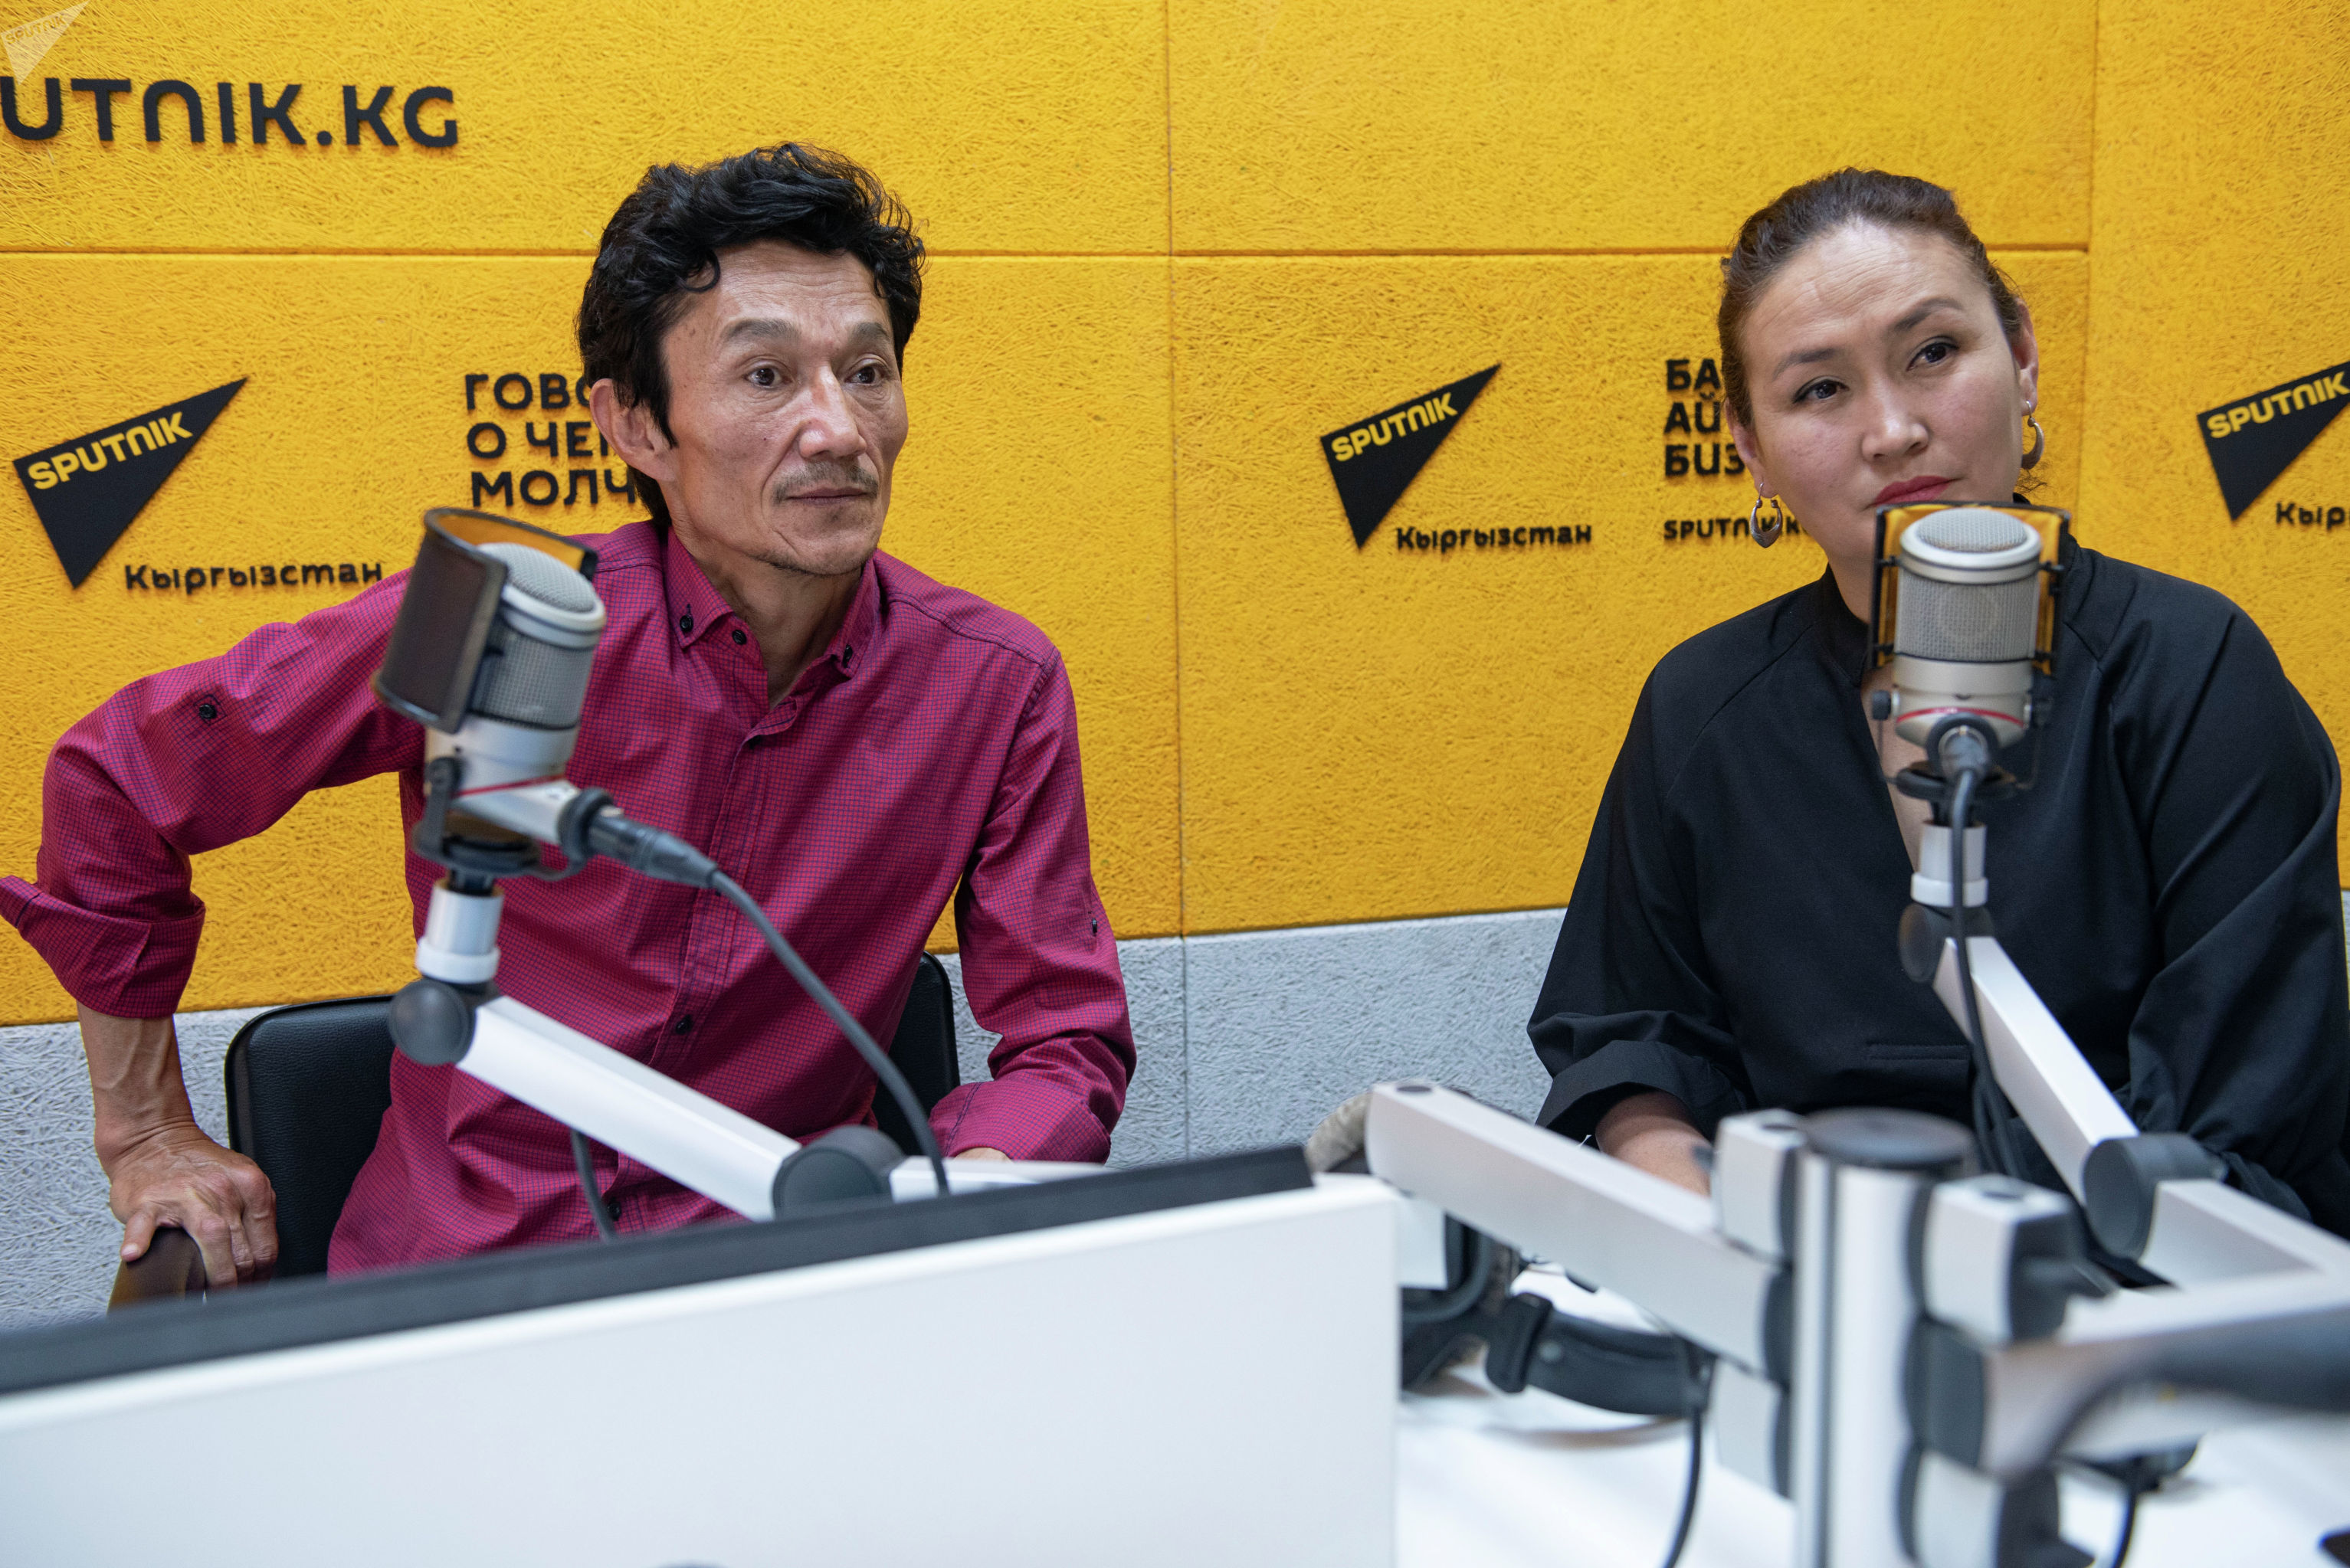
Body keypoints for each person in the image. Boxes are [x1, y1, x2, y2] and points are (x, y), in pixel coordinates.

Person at [2, 143, 1136, 1287]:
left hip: (775, 1276)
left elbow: (1064, 1035)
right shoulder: (509, 622)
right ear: (637, 425)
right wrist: (144, 1135)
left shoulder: (992, 684)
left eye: (868, 371)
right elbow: (117, 784)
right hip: (465, 1279)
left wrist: (970, 1182)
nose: (839, 430)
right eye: (766, 377)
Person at [1529, 169, 2350, 1236]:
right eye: (1819, 391)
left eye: (1933, 353)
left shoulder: (2193, 668)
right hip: (1790, 1284)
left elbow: (2239, 1125)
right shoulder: (1702, 706)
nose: (1891, 431)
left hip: (2141, 1287)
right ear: (1750, 446)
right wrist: (1732, 1259)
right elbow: (1635, 1049)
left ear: (2024, 357)